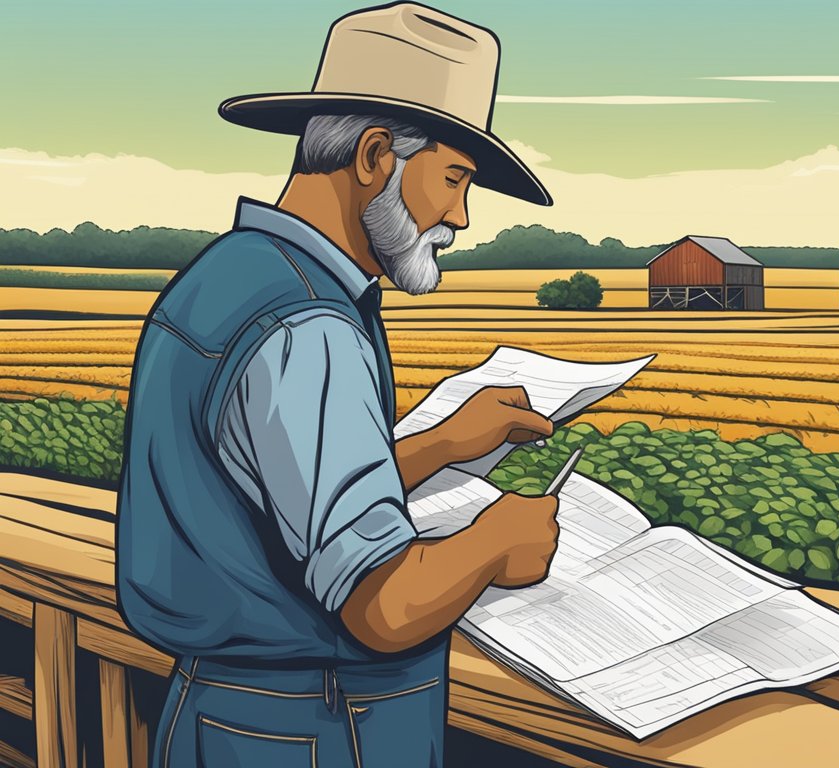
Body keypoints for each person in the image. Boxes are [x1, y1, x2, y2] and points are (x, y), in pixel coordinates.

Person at [115, 4, 560, 765]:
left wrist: (442, 445)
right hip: (315, 729)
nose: (459, 214)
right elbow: (381, 606)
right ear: (375, 155)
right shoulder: (312, 327)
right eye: (453, 178)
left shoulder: (228, 275)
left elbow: (271, 484)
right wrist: (495, 543)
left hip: (219, 715)